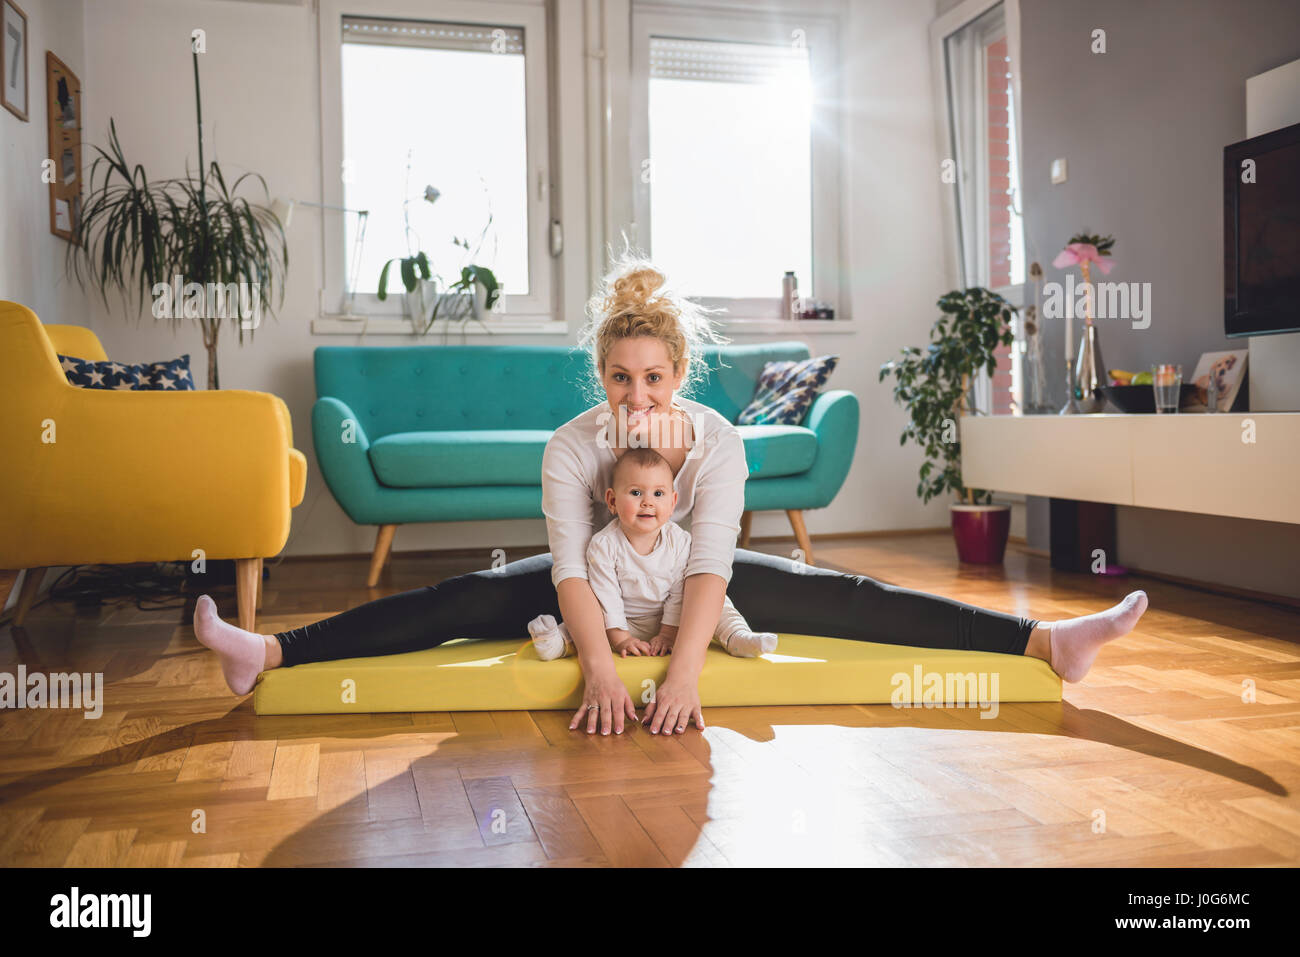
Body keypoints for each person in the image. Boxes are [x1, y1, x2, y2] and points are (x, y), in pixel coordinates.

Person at [193, 251, 1150, 737]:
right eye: (619, 379)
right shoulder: (571, 450)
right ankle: (269, 650)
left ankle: (1045, 642)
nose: (637, 398)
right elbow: (569, 570)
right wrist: (604, 669)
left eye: (654, 378)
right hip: (604, 591)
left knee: (850, 597)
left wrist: (683, 673)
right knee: (462, 598)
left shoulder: (721, 443)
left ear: (680, 373)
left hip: (701, 589)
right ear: (600, 378)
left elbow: (709, 565)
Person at [526, 446, 778, 661]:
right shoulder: (603, 545)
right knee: (586, 617)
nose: (647, 502)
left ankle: (737, 637)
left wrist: (669, 633)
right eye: (636, 493)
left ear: (672, 502)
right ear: (612, 501)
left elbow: (681, 591)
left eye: (658, 494)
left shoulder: (679, 542)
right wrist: (620, 638)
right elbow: (606, 596)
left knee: (716, 602)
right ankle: (556, 643)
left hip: (673, 618)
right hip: (623, 618)